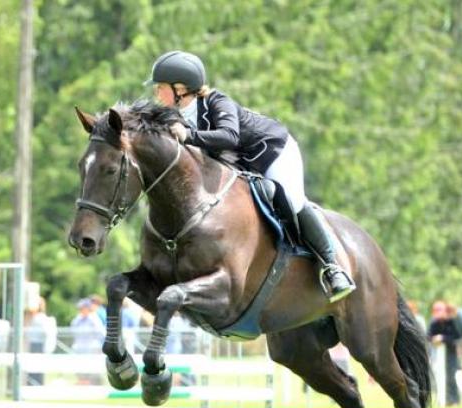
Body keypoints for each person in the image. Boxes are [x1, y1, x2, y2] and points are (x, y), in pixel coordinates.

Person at [145, 50, 355, 302]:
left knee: (292, 199)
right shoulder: (174, 116)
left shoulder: (216, 102)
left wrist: (188, 135)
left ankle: (332, 267)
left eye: (161, 88)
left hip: (274, 152)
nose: (157, 93)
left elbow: (229, 137)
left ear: (180, 88)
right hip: (243, 165)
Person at [427, 300, 462, 406]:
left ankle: (454, 400)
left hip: (451, 354)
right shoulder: (434, 323)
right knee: (437, 376)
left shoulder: (452, 323)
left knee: (451, 376)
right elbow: (428, 336)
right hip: (438, 354)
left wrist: (443, 338)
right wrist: (433, 339)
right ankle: (441, 399)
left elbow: (456, 337)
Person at [70, 297, 106, 385]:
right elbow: (72, 330)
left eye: (83, 308)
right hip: (80, 348)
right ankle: (82, 382)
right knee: (79, 368)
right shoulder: (78, 319)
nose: (81, 310)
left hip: (91, 348)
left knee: (92, 369)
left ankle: (92, 383)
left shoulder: (94, 318)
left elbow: (101, 333)